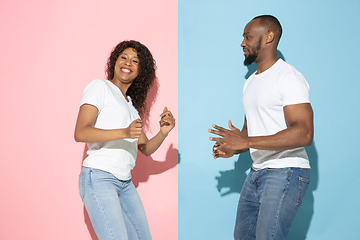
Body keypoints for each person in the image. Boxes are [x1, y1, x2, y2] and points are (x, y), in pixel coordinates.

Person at [208, 15, 313, 240]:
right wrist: (234, 147)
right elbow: (250, 133)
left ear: (269, 37)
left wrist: (245, 142)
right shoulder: (251, 81)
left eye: (247, 37)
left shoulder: (288, 77)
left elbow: (304, 132)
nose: (242, 43)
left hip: (286, 171)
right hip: (257, 172)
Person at [74, 40, 175, 240]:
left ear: (141, 71)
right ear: (115, 61)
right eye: (124, 57)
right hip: (100, 177)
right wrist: (123, 132)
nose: (128, 63)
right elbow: (81, 132)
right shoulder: (99, 87)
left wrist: (164, 131)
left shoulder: (130, 105)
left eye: (135, 61)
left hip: (125, 183)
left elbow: (145, 148)